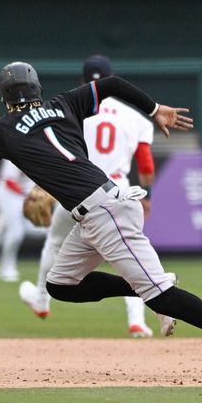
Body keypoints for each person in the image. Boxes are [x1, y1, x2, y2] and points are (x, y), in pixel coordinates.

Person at [0, 61, 202, 377]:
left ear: (4, 97)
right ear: (38, 89)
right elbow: (112, 84)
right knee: (61, 285)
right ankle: (149, 287)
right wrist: (154, 109)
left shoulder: (1, 130)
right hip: (96, 211)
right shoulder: (64, 102)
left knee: (163, 297)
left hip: (105, 211)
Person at [18, 55, 172, 338]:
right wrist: (146, 194)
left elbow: (53, 152)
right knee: (128, 256)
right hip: (120, 194)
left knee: (54, 244)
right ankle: (137, 320)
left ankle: (41, 300)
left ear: (82, 81)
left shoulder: (71, 109)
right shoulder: (133, 116)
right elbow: (146, 164)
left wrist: (43, 186)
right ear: (111, 77)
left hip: (76, 193)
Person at [0, 159, 48, 282]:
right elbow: (9, 181)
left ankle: (4, 221)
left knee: (43, 230)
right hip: (8, 193)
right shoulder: (14, 150)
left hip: (25, 195)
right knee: (16, 233)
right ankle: (6, 268)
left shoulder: (43, 152)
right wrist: (28, 195)